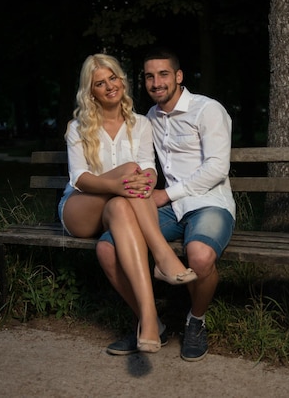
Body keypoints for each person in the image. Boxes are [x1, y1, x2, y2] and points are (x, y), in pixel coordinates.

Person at [98, 48, 236, 361]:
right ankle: (151, 322)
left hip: (209, 202)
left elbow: (217, 169)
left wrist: (166, 194)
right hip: (170, 210)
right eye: (149, 76)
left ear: (178, 76)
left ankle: (195, 321)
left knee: (199, 257)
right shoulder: (150, 119)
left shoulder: (208, 110)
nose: (156, 82)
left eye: (163, 74)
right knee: (107, 249)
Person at [58, 54, 197, 354]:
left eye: (113, 78)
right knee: (129, 172)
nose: (109, 86)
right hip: (81, 208)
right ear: (90, 91)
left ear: (122, 80)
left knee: (127, 192)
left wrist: (140, 179)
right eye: (100, 83)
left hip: (118, 208)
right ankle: (162, 255)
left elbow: (149, 169)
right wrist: (118, 183)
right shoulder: (78, 126)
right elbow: (79, 178)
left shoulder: (141, 123)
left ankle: (149, 320)